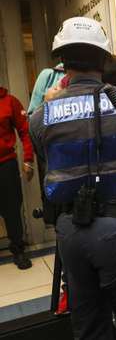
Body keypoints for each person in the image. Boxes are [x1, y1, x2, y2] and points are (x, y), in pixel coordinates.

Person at [28, 16, 116, 339]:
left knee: (89, 327)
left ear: (62, 61)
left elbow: (48, 161)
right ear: (105, 59)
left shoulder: (39, 118)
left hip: (71, 236)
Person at [0, 86, 34, 270]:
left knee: (11, 209)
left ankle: (18, 250)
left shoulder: (9, 101)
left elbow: (24, 131)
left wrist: (28, 159)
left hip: (5, 164)